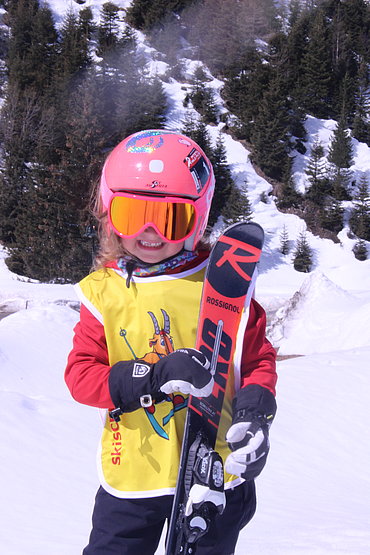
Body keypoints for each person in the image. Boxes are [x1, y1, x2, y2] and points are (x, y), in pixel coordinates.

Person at [65, 129, 277, 555]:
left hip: (214, 471)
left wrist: (256, 416)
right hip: (136, 471)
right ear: (109, 215)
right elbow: (81, 376)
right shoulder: (101, 293)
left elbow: (256, 362)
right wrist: (151, 376)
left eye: (170, 218)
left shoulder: (224, 285)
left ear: (196, 220)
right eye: (132, 214)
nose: (150, 232)